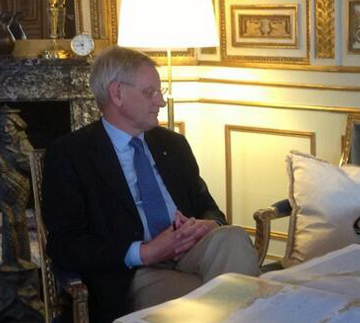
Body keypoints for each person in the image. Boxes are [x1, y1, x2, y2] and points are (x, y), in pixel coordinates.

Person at [42, 46, 261, 323]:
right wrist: (144, 252)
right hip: (131, 273)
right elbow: (66, 246)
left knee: (233, 237)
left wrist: (207, 225)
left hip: (189, 250)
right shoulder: (71, 154)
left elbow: (209, 209)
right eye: (150, 93)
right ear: (117, 93)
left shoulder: (173, 144)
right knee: (210, 299)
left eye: (160, 92)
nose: (160, 102)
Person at [0, 106, 34, 269]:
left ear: (17, 126)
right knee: (9, 222)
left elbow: (31, 163)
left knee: (19, 220)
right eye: (2, 128)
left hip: (21, 186)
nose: (6, 131)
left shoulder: (22, 142)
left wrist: (18, 158)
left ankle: (24, 257)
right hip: (3, 188)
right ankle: (11, 260)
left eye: (9, 126)